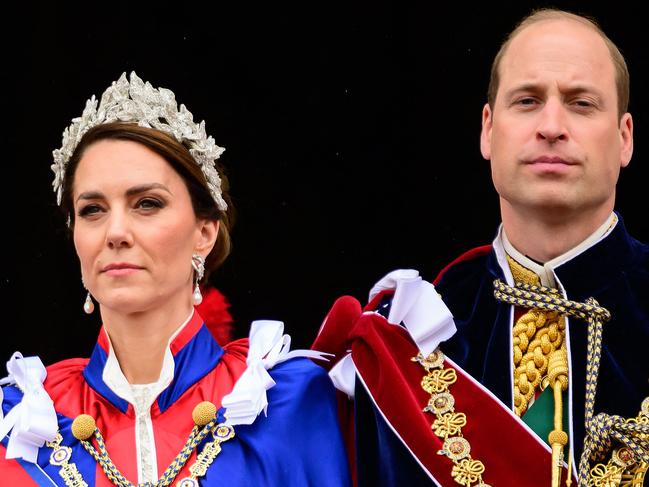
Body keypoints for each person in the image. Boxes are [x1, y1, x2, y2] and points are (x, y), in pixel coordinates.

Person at [313, 8, 649, 486]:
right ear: (488, 130)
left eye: (581, 103)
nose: (551, 125)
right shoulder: (409, 334)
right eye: (528, 100)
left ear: (624, 138)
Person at [0, 72, 350, 486]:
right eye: (93, 210)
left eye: (146, 204)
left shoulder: (283, 400)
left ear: (205, 232)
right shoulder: (21, 421)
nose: (115, 233)